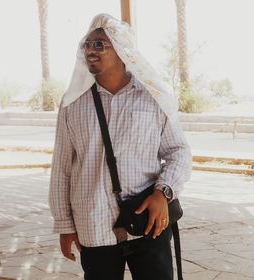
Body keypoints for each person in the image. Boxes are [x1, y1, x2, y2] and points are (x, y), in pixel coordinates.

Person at [49, 13, 192, 280]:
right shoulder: (72, 104)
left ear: (121, 48)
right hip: (94, 226)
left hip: (148, 223)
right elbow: (62, 168)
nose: (91, 50)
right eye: (87, 44)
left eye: (100, 44)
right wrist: (65, 224)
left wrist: (163, 194)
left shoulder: (153, 97)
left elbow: (179, 152)